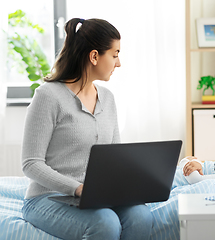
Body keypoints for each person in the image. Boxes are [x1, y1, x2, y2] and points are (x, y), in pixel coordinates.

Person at [21, 18, 153, 240]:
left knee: (142, 216)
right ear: (94, 56)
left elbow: (115, 158)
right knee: (106, 223)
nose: (118, 63)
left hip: (95, 198)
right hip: (46, 198)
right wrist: (79, 188)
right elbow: (31, 164)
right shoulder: (48, 96)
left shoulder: (108, 99)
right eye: (115, 54)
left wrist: (133, 184)